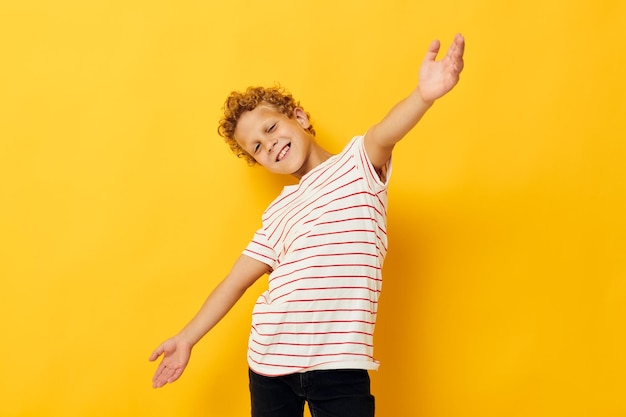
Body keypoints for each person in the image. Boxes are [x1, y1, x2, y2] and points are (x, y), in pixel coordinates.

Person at [149, 33, 465, 417]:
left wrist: (424, 96)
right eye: (257, 148)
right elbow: (234, 282)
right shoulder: (278, 211)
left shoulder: (356, 165)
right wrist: (186, 338)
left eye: (270, 129)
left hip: (339, 366)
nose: (269, 145)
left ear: (298, 117)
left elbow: (386, 131)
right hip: (268, 363)